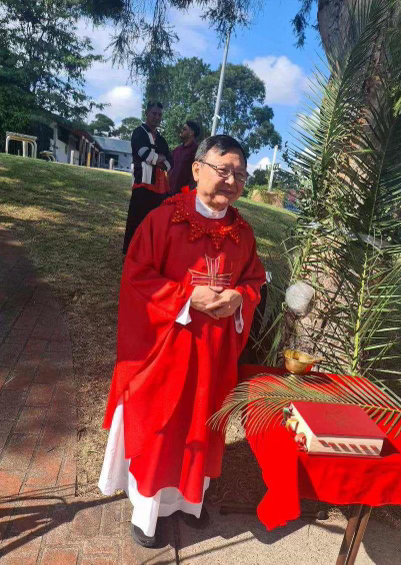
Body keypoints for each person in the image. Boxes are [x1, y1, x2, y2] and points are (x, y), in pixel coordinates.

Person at [98, 135, 265, 548]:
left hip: (212, 356)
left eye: (240, 174)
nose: (231, 180)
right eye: (223, 170)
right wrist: (188, 296)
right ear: (196, 169)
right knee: (163, 427)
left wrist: (239, 298)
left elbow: (254, 280)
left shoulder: (242, 232)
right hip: (166, 351)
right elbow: (137, 278)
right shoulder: (162, 220)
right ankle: (147, 511)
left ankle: (190, 502)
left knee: (202, 425)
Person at [122, 101, 173, 256]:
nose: (157, 117)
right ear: (147, 114)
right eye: (154, 114)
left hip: (160, 189)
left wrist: (159, 159)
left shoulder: (162, 139)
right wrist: (159, 158)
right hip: (142, 185)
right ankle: (129, 254)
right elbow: (145, 155)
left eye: (160, 115)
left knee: (155, 223)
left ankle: (147, 254)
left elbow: (170, 163)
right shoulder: (138, 133)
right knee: (136, 221)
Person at [168, 120, 200, 195]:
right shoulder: (177, 150)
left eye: (184, 129)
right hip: (169, 193)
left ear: (191, 133)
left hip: (184, 195)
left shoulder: (197, 150)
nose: (181, 131)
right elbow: (169, 168)